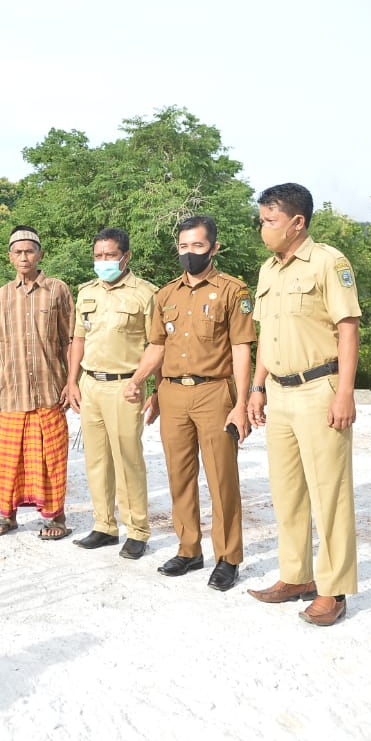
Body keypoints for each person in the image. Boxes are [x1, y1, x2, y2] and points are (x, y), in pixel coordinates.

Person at [246, 182, 362, 627]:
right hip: (278, 391)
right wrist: (257, 387)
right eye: (261, 220)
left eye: (270, 220)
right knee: (287, 491)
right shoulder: (268, 270)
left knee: (329, 493)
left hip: (319, 389)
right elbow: (265, 335)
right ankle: (296, 576)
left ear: (297, 223)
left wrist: (345, 392)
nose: (263, 228)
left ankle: (333, 589)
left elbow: (348, 329)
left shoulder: (328, 262)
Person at [125, 216, 252, 591]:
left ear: (214, 248)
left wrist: (241, 403)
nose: (189, 253)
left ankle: (228, 557)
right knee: (179, 476)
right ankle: (189, 548)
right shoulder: (166, 295)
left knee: (221, 478)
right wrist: (140, 381)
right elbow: (158, 346)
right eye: (183, 246)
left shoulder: (233, 291)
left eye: (197, 246)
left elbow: (241, 348)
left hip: (214, 393)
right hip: (172, 394)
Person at [67, 227, 158, 560]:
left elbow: (157, 344)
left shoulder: (145, 294)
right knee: (96, 460)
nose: (103, 261)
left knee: (127, 459)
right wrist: (72, 381)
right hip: (90, 384)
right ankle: (104, 525)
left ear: (125, 256)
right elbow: (78, 339)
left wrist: (152, 387)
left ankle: (137, 530)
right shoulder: (86, 292)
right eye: (98, 256)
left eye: (110, 255)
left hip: (125, 386)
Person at [0, 226, 75, 540]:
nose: (24, 257)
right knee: (11, 460)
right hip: (11, 392)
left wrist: (71, 381)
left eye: (29, 251)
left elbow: (69, 340)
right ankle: (7, 516)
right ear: (10, 257)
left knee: (51, 458)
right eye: (18, 252)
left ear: (40, 254)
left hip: (50, 390)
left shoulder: (57, 290)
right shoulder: (2, 295)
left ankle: (57, 517)